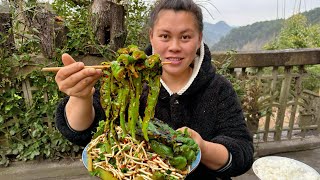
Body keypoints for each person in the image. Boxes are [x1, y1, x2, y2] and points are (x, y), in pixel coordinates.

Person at [55, 0, 254, 179]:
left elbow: (242, 152)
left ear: (199, 38)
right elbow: (85, 131)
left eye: (185, 37)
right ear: (151, 36)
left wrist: (201, 147)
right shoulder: (128, 79)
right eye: (165, 36)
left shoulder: (218, 89)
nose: (174, 47)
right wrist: (81, 97)